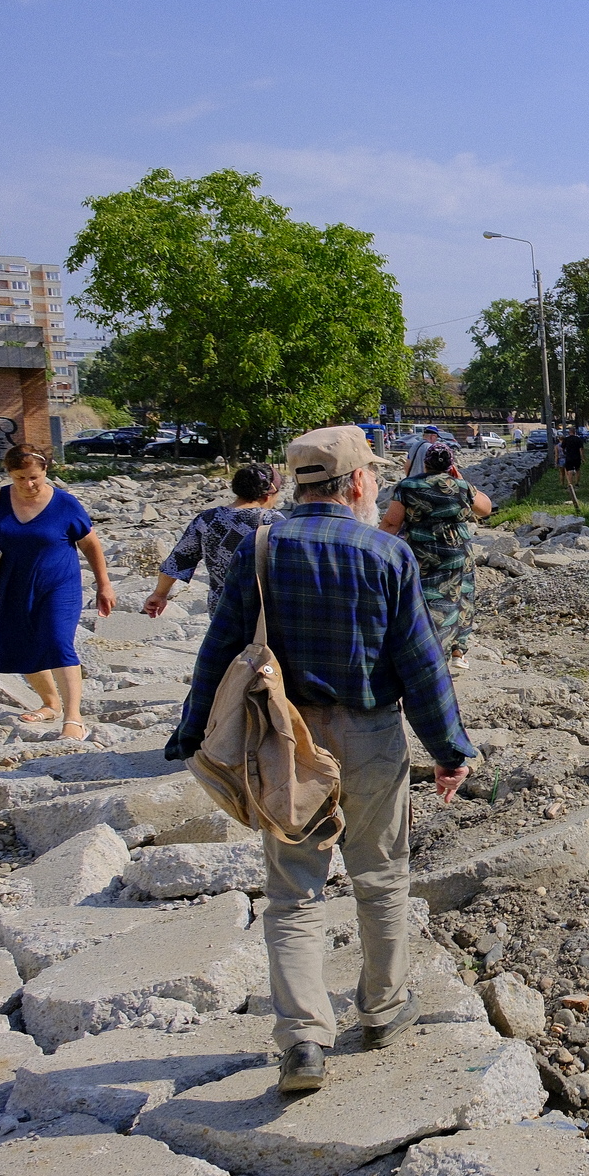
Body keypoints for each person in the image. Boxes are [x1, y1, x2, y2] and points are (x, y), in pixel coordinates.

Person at [170, 426, 474, 1095]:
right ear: (359, 483)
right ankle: (383, 1008)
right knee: (381, 876)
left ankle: (303, 1041)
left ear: (297, 483)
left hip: (284, 742)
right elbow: (421, 667)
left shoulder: (262, 546)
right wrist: (450, 750)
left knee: (292, 892)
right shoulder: (387, 553)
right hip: (370, 737)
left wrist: (191, 730)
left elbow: (220, 647)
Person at [0, 444, 116, 742]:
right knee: (21, 644)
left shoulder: (65, 503)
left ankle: (74, 718)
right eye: (19, 478)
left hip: (59, 585)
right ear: (10, 475)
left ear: (45, 471)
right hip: (14, 584)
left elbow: (90, 543)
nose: (28, 484)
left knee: (56, 641)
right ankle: (50, 704)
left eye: (34, 477)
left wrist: (104, 584)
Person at [381, 443, 492, 672]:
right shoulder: (461, 486)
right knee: (460, 598)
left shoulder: (408, 486)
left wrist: (376, 545)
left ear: (425, 462)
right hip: (458, 553)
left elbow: (392, 522)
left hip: (421, 551)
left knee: (425, 598)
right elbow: (485, 509)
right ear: (451, 465)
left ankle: (426, 650)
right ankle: (458, 651)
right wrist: (461, 478)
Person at [142, 462, 282, 618]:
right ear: (269, 493)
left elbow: (177, 561)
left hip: (221, 609)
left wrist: (159, 594)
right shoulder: (274, 520)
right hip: (264, 610)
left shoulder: (207, 519)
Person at [557, 423, 587, 495]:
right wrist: (582, 457)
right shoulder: (578, 439)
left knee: (569, 471)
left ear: (569, 432)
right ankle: (577, 483)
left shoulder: (566, 439)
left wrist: (565, 453)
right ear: (575, 432)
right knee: (577, 469)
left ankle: (570, 484)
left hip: (569, 457)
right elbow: (581, 449)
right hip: (577, 457)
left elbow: (562, 448)